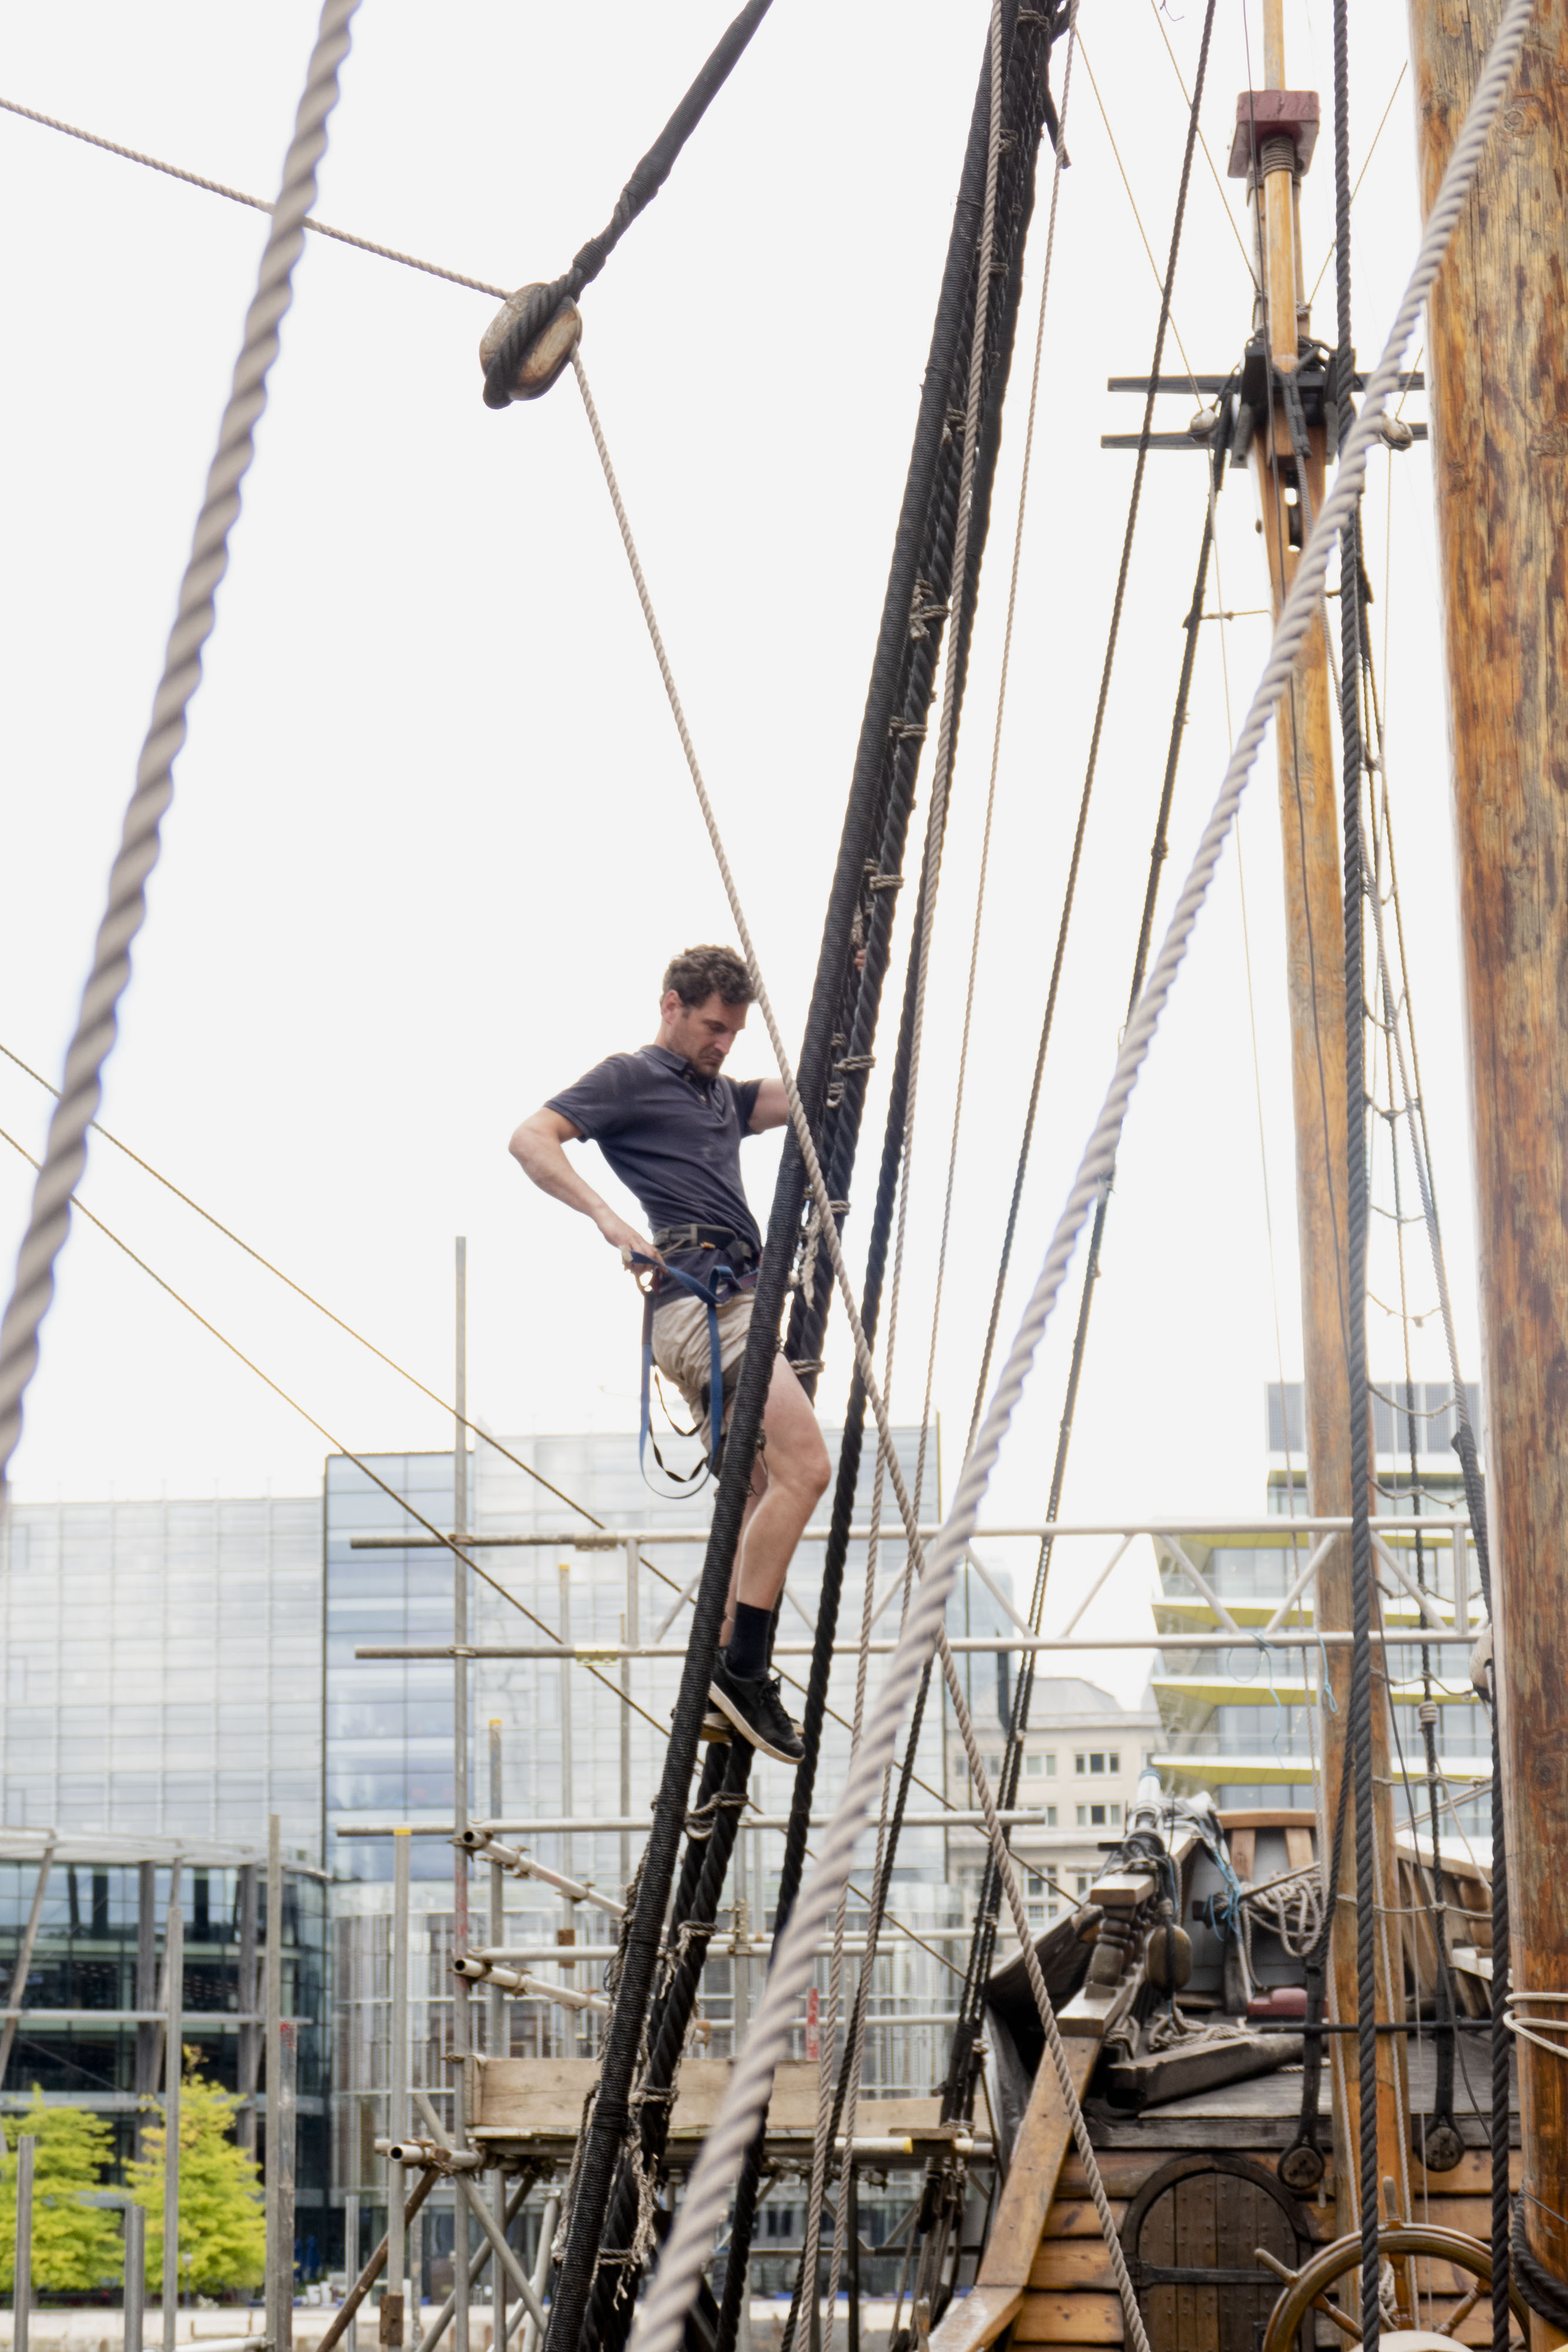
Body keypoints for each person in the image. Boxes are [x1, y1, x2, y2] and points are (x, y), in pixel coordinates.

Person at [509, 944, 831, 1765]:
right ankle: (745, 1669)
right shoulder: (631, 1077)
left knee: (761, 1489)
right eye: (713, 1027)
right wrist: (605, 1217)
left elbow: (809, 1096)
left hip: (738, 1303)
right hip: (706, 1303)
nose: (724, 1044)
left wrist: (854, 975)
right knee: (807, 1470)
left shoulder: (721, 1095)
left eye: (734, 1032)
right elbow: (531, 1138)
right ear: (671, 1006)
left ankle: (726, 1666)